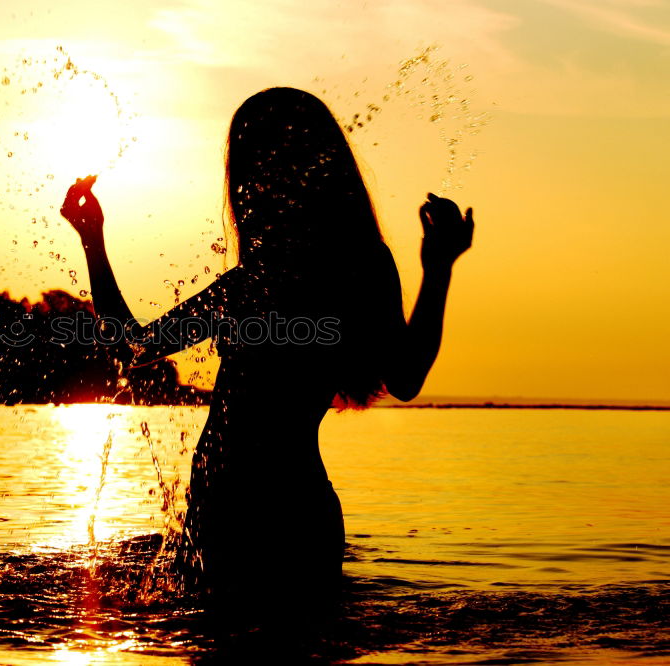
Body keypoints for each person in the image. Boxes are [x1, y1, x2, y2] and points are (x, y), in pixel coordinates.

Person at [60, 87, 473, 612]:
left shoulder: (257, 282)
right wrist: (437, 270)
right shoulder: (359, 267)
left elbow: (134, 348)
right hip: (297, 513)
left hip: (233, 512)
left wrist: (93, 242)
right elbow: (407, 377)